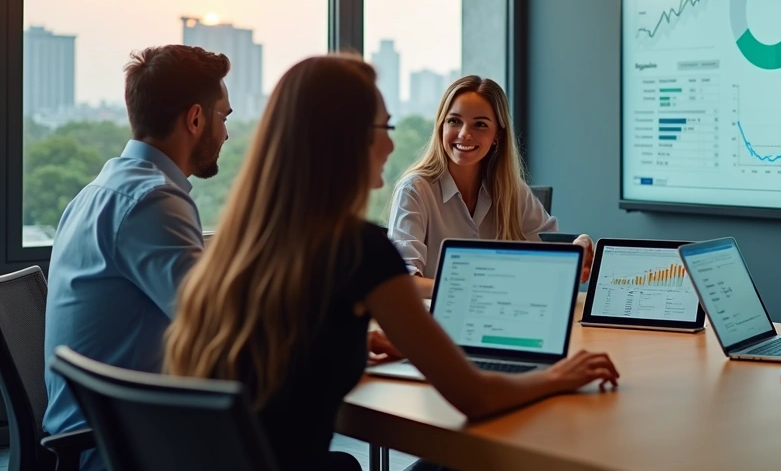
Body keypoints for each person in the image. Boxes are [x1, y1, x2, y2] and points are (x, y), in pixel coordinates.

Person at [163, 56, 619, 471]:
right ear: (349, 141)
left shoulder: (239, 245)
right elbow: (476, 397)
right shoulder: (357, 249)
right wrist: (560, 375)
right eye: (385, 128)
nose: (390, 145)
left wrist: (357, 346)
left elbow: (286, 363)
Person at [43, 45, 232, 470]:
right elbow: (217, 326)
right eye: (224, 118)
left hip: (103, 431)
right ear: (195, 118)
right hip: (123, 447)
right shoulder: (152, 201)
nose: (225, 134)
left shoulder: (100, 191)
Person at [389, 75, 593, 297]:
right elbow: (403, 282)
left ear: (497, 135)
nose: (465, 133)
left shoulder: (511, 191)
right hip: (435, 324)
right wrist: (481, 288)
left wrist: (579, 246)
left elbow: (554, 257)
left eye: (480, 125)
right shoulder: (415, 190)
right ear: (441, 127)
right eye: (454, 121)